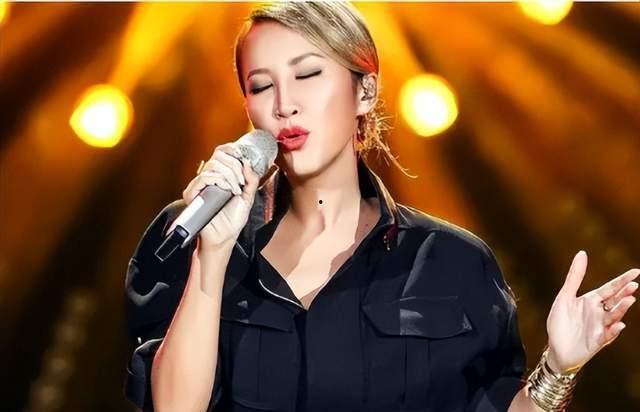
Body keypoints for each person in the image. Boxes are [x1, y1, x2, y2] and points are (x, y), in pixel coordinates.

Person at [123, 2, 638, 411]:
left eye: (308, 75)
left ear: (365, 91)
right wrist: (212, 258)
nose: (284, 104)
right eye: (261, 85)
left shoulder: (450, 261)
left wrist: (559, 367)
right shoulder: (189, 235)